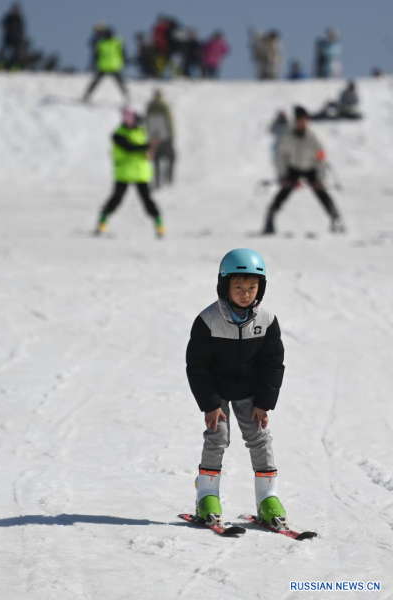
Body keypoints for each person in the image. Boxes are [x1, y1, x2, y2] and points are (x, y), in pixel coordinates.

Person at [186, 248, 287, 529]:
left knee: (260, 437)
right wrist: (210, 403)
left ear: (260, 288)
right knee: (217, 436)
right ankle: (207, 496)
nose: (245, 293)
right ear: (224, 286)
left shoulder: (266, 320)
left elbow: (273, 364)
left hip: (251, 393)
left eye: (252, 287)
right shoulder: (208, 320)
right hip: (217, 393)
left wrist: (264, 402)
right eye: (238, 287)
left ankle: (268, 499)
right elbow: (197, 365)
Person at [262, 106, 344, 234]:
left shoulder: (312, 137)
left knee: (322, 194)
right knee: (282, 194)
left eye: (303, 119)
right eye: (299, 119)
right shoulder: (287, 136)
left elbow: (321, 156)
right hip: (294, 168)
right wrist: (283, 176)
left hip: (310, 168)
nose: (301, 122)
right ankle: (269, 220)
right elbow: (280, 157)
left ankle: (336, 219)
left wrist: (320, 178)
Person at [95, 108, 165, 237]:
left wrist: (151, 151)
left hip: (140, 173)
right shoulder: (118, 135)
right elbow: (129, 147)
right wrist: (147, 146)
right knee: (116, 199)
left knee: (147, 201)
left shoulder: (142, 132)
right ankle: (102, 224)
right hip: (124, 172)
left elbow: (149, 151)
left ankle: (159, 226)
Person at [83, 25, 127, 102]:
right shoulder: (115, 41)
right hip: (110, 65)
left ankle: (87, 95)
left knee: (118, 82)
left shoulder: (103, 42)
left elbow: (95, 55)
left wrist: (93, 64)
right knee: (119, 82)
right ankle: (127, 96)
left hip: (109, 65)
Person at [146, 90, 176, 188]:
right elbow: (169, 121)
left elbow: (147, 122)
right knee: (172, 157)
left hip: (154, 137)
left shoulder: (149, 107)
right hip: (165, 137)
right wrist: (172, 135)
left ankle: (157, 181)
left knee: (156, 159)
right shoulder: (164, 106)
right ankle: (170, 180)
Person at [0, 3, 25, 70]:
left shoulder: (19, 19)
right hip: (8, 38)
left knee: (17, 53)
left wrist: (21, 38)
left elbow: (22, 29)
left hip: (16, 39)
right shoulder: (8, 17)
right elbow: (2, 24)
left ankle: (15, 67)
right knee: (2, 52)